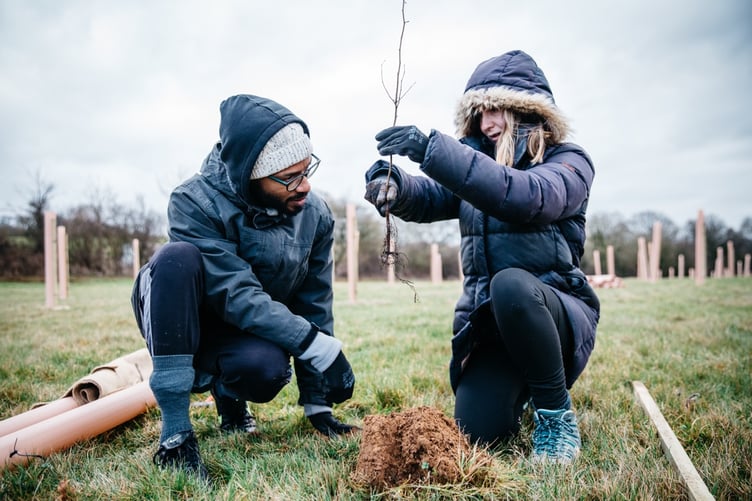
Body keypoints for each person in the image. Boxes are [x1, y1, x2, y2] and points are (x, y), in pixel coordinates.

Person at [364, 50, 600, 464]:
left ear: (528, 111)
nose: (487, 122)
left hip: (553, 313)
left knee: (510, 284)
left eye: (498, 110)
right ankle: (520, 391)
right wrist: (395, 185)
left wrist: (431, 149)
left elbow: (525, 197)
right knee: (478, 432)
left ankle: (555, 413)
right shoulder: (476, 165)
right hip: (491, 326)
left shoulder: (569, 163)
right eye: (479, 112)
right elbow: (433, 195)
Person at [131, 94, 357, 480]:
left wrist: (318, 404)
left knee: (265, 369)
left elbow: (314, 301)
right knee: (175, 257)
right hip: (185, 319)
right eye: (288, 177)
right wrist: (313, 344)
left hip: (243, 328)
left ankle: (231, 405)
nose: (304, 186)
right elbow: (234, 292)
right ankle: (175, 438)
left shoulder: (314, 215)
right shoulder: (193, 202)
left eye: (307, 170)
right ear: (250, 175)